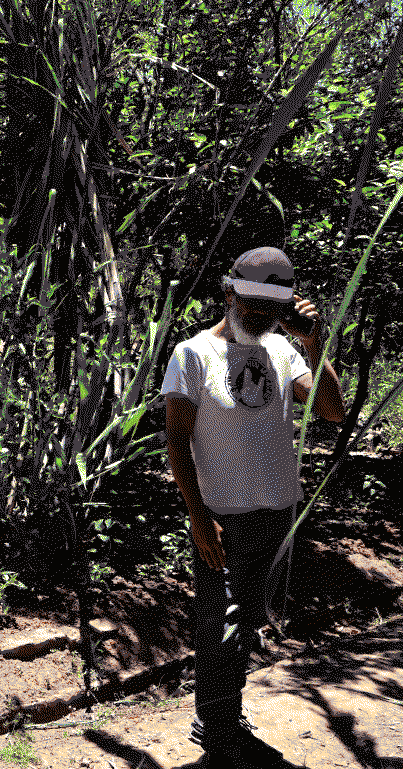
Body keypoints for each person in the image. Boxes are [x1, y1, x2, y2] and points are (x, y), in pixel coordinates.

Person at [161, 247, 344, 767]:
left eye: (271, 310)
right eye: (252, 306)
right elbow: (176, 439)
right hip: (221, 514)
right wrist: (198, 515)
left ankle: (224, 715)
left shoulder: (284, 351)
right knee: (218, 618)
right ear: (229, 294)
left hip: (275, 513)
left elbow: (331, 411)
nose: (261, 318)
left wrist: (315, 343)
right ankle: (215, 724)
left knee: (246, 621)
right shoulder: (193, 355)